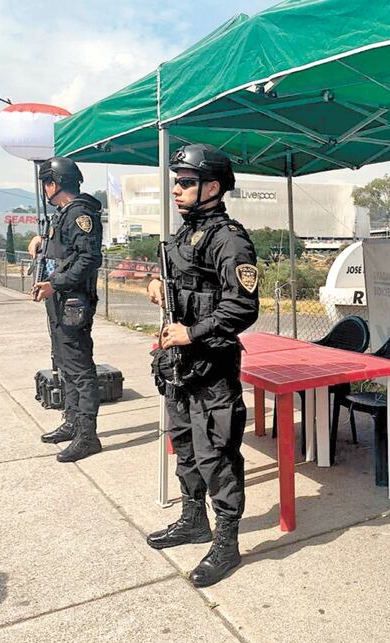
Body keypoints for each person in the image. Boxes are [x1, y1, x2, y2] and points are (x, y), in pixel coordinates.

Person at [146, 143, 259, 588]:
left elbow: (243, 306)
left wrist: (192, 333)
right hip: (179, 365)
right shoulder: (184, 234)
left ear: (212, 187)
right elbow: (179, 280)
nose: (177, 189)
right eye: (177, 181)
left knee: (218, 455)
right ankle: (194, 520)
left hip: (210, 365)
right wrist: (158, 283)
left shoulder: (229, 239)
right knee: (185, 447)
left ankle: (227, 544)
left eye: (187, 182)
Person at [28, 156, 104, 462]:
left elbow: (88, 259)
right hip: (59, 301)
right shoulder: (63, 215)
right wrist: (40, 243)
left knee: (80, 369)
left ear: (54, 183)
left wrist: (54, 284)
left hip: (73, 301)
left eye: (47, 183)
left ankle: (88, 436)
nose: (46, 189)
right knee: (65, 364)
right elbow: (64, 253)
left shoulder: (80, 214)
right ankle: (73, 422)